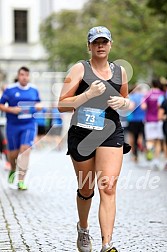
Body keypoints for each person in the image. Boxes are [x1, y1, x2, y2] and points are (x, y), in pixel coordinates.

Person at [58, 26, 130, 252]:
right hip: (83, 134)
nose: (100, 45)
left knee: (107, 186)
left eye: (104, 42)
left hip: (110, 131)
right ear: (89, 46)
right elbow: (62, 104)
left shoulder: (120, 71)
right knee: (87, 188)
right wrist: (87, 95)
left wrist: (123, 103)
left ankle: (107, 244)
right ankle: (83, 228)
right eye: (96, 42)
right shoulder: (80, 69)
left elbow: (127, 102)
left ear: (110, 45)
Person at [0, 66, 42, 190]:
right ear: (18, 76)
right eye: (22, 75)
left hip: (28, 124)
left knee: (25, 150)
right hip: (13, 125)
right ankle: (13, 169)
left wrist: (39, 106)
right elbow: (1, 105)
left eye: (27, 75)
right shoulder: (10, 90)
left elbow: (39, 103)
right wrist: (10, 109)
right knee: (13, 154)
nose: (25, 77)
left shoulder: (34, 90)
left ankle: (21, 181)